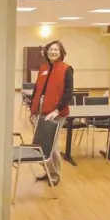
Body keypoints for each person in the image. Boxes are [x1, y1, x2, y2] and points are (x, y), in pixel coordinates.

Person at [30, 40, 74, 186]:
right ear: (46, 52)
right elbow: (37, 90)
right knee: (41, 144)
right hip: (40, 109)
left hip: (56, 112)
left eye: (56, 50)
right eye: (50, 49)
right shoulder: (43, 68)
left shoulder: (66, 69)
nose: (53, 52)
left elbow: (68, 92)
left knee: (51, 145)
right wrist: (33, 109)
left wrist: (57, 110)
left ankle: (55, 174)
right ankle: (48, 171)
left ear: (61, 52)